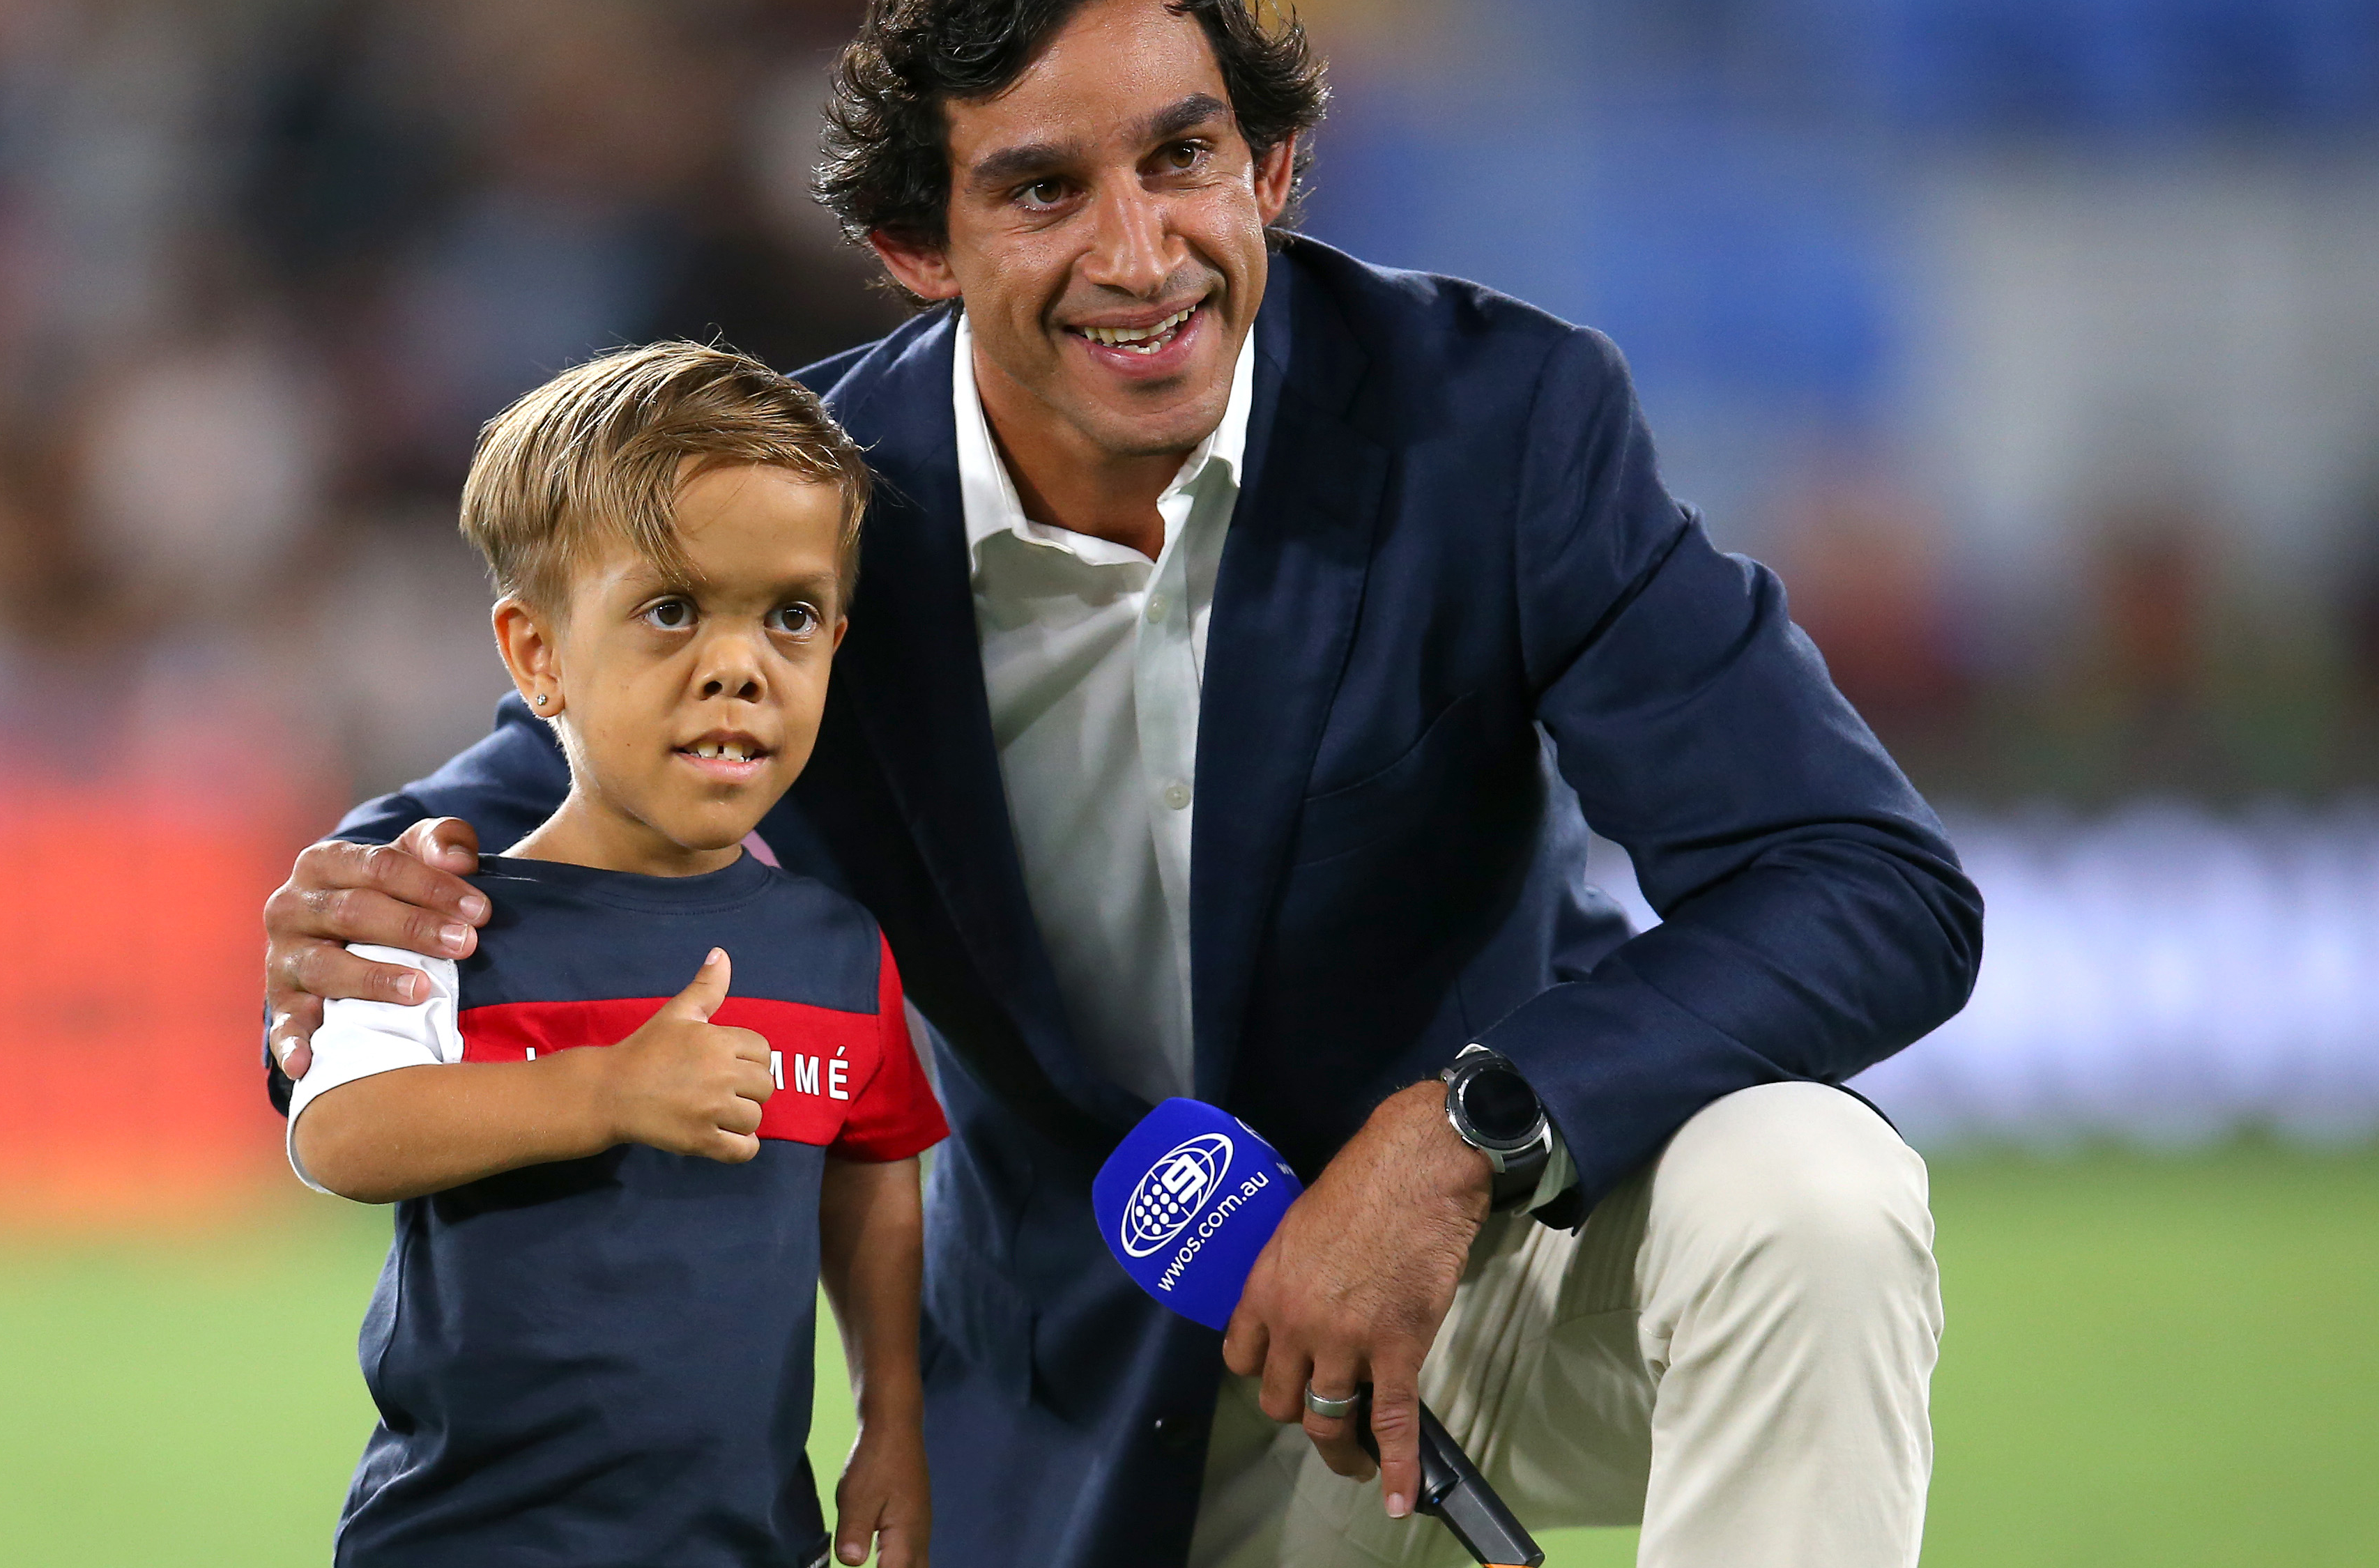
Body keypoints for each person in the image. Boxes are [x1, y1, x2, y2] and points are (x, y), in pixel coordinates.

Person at [261, 3, 1983, 1566]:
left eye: (1184, 159)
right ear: (913, 244)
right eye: (1040, 192)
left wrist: (1469, 1129)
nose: (1138, 252)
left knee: (1811, 1198)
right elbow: (523, 792)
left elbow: (1872, 885)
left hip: (1492, 1261)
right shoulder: (815, 513)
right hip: (1102, 1370)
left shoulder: (1496, 425)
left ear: (1276, 167)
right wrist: (360, 902)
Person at [284, 343, 944, 1568]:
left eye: (789, 616)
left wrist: (892, 1418)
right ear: (536, 654)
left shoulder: (835, 947)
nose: (739, 664)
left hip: (745, 1540)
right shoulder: (445, 916)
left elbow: (872, 1176)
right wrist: (602, 1091)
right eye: (672, 609)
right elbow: (339, 1134)